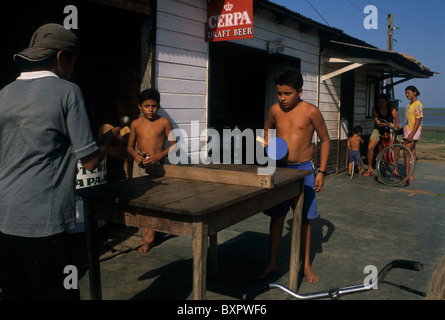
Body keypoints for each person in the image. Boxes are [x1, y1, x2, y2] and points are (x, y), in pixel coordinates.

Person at [0, 24, 121, 299]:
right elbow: (89, 161)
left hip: (4, 219)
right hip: (43, 224)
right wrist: (109, 136)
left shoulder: (4, 93)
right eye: (73, 62)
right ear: (60, 57)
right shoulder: (68, 91)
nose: (73, 69)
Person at [259, 68, 330, 284]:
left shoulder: (311, 111)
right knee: (277, 216)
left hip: (304, 171)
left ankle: (306, 266)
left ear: (299, 91)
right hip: (280, 169)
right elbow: (266, 130)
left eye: (287, 93)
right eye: (279, 93)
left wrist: (322, 172)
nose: (282, 98)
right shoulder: (274, 110)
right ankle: (272, 263)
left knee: (305, 219)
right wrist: (267, 144)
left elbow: (325, 140)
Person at [127, 88, 176, 253]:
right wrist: (135, 155)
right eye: (146, 105)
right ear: (140, 106)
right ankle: (147, 233)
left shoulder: (164, 122)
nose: (150, 109)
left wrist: (158, 156)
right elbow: (129, 146)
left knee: (155, 200)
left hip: (157, 167)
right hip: (139, 166)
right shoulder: (136, 123)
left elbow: (174, 145)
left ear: (159, 106)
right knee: (141, 200)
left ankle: (151, 234)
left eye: (154, 106)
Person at [364, 93, 400, 177]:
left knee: (397, 147)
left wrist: (396, 126)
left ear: (387, 102)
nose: (380, 104)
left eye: (382, 102)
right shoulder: (375, 109)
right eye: (379, 102)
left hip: (391, 129)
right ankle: (370, 168)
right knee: (370, 147)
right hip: (378, 128)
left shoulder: (391, 108)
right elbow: (378, 122)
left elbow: (397, 119)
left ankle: (395, 169)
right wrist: (388, 124)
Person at [403, 85, 423, 182]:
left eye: (409, 93)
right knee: (413, 152)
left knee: (405, 151)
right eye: (406, 93)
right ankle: (411, 175)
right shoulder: (409, 105)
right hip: (407, 130)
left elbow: (418, 120)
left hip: (413, 131)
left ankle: (407, 175)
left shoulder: (418, 104)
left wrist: (411, 134)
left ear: (414, 92)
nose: (407, 95)